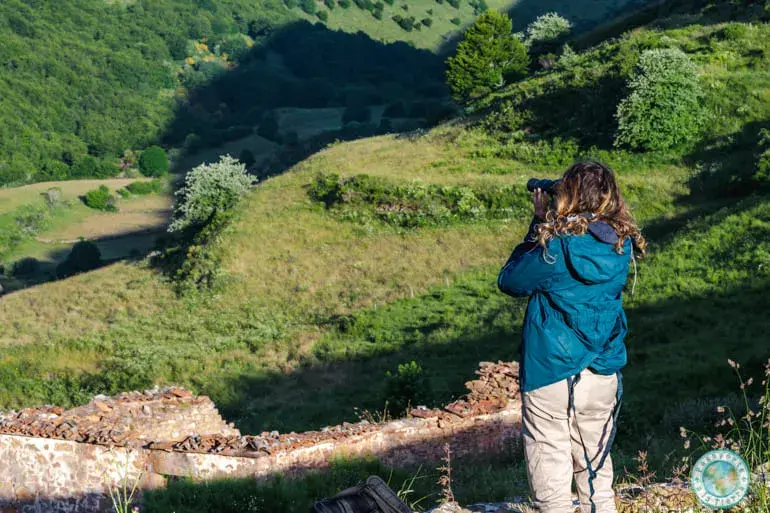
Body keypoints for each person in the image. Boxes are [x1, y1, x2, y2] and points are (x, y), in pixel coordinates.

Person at [497, 161, 646, 513]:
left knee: (550, 458)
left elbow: (511, 281)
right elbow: (593, 231)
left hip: (551, 369)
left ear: (567, 197)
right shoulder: (621, 246)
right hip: (602, 369)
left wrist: (539, 224)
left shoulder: (556, 248)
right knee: (595, 468)